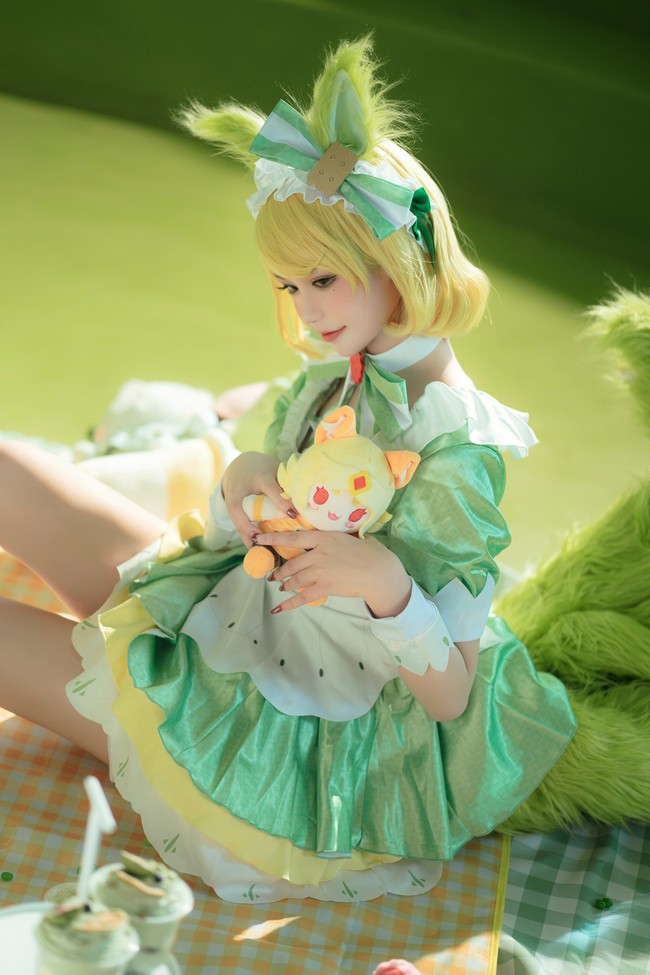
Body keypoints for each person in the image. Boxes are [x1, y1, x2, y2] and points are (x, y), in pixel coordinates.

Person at [0, 37, 648, 913]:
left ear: (401, 262)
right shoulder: (334, 375)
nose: (305, 309)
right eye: (288, 286)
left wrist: (386, 586)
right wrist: (248, 477)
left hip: (293, 719)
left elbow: (451, 693)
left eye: (321, 280)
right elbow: (271, 516)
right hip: (233, 604)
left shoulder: (458, 448)